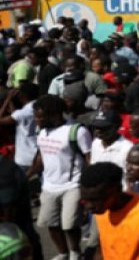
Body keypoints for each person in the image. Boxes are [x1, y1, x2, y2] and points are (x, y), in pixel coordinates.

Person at [30, 94, 92, 260]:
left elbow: (89, 160)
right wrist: (26, 176)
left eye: (40, 116)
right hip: (48, 186)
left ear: (55, 114)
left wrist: (88, 188)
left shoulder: (77, 131)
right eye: (35, 116)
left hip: (72, 185)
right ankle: (63, 253)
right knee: (51, 223)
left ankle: (75, 252)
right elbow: (40, 157)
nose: (36, 120)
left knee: (69, 224)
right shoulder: (42, 131)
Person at [80, 162, 139, 260]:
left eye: (95, 200)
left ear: (115, 190)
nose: (89, 206)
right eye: (85, 200)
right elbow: (101, 249)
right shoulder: (101, 210)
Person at [0, 82, 39, 173]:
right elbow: (17, 116)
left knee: (20, 185)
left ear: (23, 96)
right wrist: (10, 102)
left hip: (24, 157)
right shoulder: (37, 106)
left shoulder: (24, 112)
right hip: (37, 155)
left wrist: (7, 99)